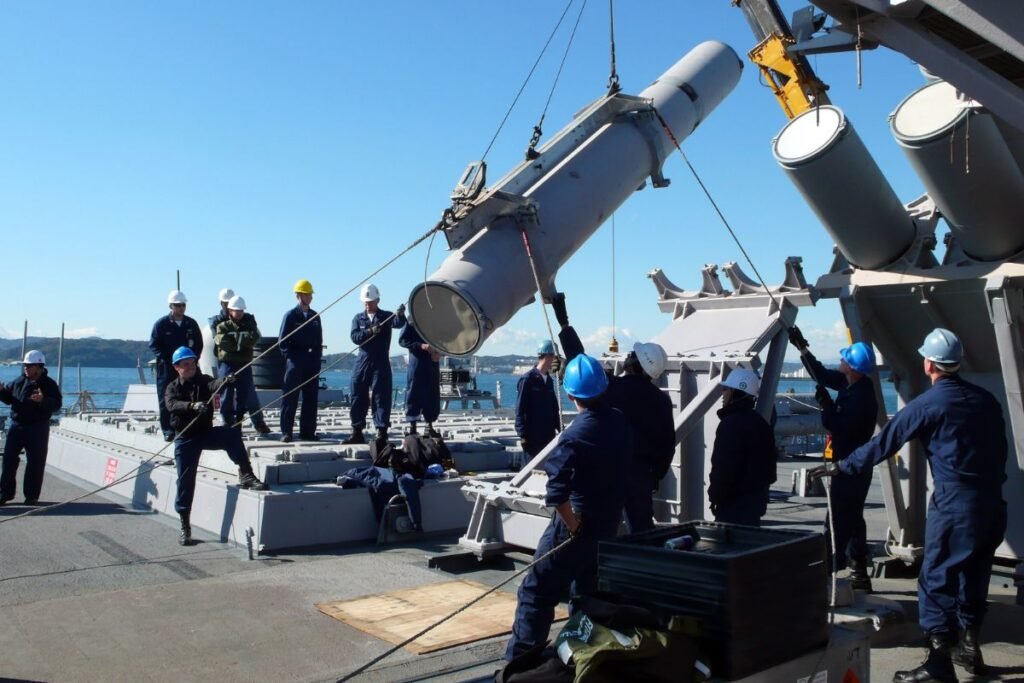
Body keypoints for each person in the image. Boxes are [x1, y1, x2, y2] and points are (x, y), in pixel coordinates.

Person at [812, 328, 1007, 682]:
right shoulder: (986, 400)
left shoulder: (930, 404)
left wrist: (842, 466)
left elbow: (884, 443)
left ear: (928, 364)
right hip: (993, 504)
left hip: (956, 505)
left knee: (936, 580)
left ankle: (937, 665)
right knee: (974, 576)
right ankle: (969, 647)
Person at [505, 354, 631, 660]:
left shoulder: (574, 435)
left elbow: (557, 491)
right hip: (607, 524)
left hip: (576, 525)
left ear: (571, 394)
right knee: (587, 593)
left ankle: (520, 666)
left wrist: (573, 525)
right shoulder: (619, 421)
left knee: (536, 591)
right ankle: (583, 656)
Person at [551, 294, 675, 531]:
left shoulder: (616, 388)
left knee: (604, 526)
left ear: (638, 364)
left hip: (613, 469)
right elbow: (667, 446)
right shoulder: (662, 401)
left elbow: (581, 361)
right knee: (642, 529)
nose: (627, 356)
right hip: (642, 475)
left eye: (631, 356)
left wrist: (564, 323)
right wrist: (653, 476)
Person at [790, 326, 879, 590]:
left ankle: (827, 572)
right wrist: (803, 349)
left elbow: (839, 427)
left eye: (844, 359)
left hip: (849, 467)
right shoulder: (854, 384)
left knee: (838, 519)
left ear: (850, 366)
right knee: (853, 519)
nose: (840, 361)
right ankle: (859, 570)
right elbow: (822, 374)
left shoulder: (859, 398)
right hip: (854, 466)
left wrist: (827, 407)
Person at [164, 347, 267, 545]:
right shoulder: (172, 387)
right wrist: (191, 406)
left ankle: (246, 473)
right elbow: (171, 404)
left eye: (192, 363)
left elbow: (214, 385)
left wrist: (225, 380)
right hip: (186, 439)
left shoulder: (203, 380)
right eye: (185, 364)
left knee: (230, 435)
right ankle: (185, 524)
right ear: (177, 367)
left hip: (205, 434)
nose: (190, 367)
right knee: (185, 481)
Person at [707, 368, 777, 526]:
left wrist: (715, 497)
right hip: (754, 508)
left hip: (731, 508)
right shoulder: (762, 424)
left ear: (735, 392)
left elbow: (722, 468)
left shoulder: (729, 425)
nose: (723, 394)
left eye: (726, 389)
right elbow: (770, 473)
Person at [345, 284, 406, 444]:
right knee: (358, 394)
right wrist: (370, 331)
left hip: (380, 361)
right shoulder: (358, 318)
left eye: (370, 301)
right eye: (365, 302)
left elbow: (398, 323)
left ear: (377, 300)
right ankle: (357, 430)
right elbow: (355, 337)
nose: (368, 304)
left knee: (381, 396)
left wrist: (400, 314)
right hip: (363, 360)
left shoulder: (386, 316)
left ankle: (381, 431)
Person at [0, 350, 63, 505]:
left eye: (29, 366)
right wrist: (1, 391)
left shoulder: (49, 384)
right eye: (25, 366)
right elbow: (9, 399)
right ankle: (5, 494)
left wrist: (43, 400)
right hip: (17, 426)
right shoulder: (18, 381)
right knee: (8, 461)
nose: (26, 368)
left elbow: (57, 405)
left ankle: (31, 496)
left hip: (37, 428)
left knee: (35, 463)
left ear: (39, 366)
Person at [211, 288, 271, 435]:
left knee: (247, 394)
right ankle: (228, 424)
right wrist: (241, 343)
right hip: (226, 362)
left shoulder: (248, 320)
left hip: (244, 363)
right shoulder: (217, 322)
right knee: (227, 394)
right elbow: (222, 341)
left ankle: (254, 422)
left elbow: (254, 337)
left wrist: (238, 342)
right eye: (226, 304)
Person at [149, 290, 203, 442]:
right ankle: (168, 429)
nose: (181, 308)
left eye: (183, 305)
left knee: (190, 395)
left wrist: (192, 361)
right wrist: (169, 360)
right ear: (171, 306)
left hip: (188, 368)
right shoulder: (161, 324)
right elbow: (154, 345)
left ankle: (190, 426)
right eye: (178, 305)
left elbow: (198, 344)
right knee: (166, 398)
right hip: (167, 368)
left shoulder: (191, 324)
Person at [278, 279, 323, 443]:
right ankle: (286, 432)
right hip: (295, 361)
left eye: (311, 294)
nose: (310, 297)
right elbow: (282, 342)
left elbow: (319, 341)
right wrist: (291, 358)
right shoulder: (290, 316)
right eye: (307, 294)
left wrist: (316, 360)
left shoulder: (314, 316)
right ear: (300, 295)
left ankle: (308, 431)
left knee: (311, 398)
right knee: (290, 398)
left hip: (311, 361)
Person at [514, 340, 562, 458]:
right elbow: (519, 409)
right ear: (548, 356)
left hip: (548, 435)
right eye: (555, 357)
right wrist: (522, 435)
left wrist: (560, 428)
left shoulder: (549, 381)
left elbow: (554, 407)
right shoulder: (527, 379)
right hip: (533, 437)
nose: (556, 361)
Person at [399, 321, 441, 437]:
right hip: (416, 361)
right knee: (414, 392)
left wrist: (440, 353)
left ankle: (429, 425)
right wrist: (421, 346)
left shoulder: (437, 318)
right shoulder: (411, 320)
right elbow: (403, 340)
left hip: (432, 361)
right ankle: (413, 426)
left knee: (432, 392)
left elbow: (446, 339)